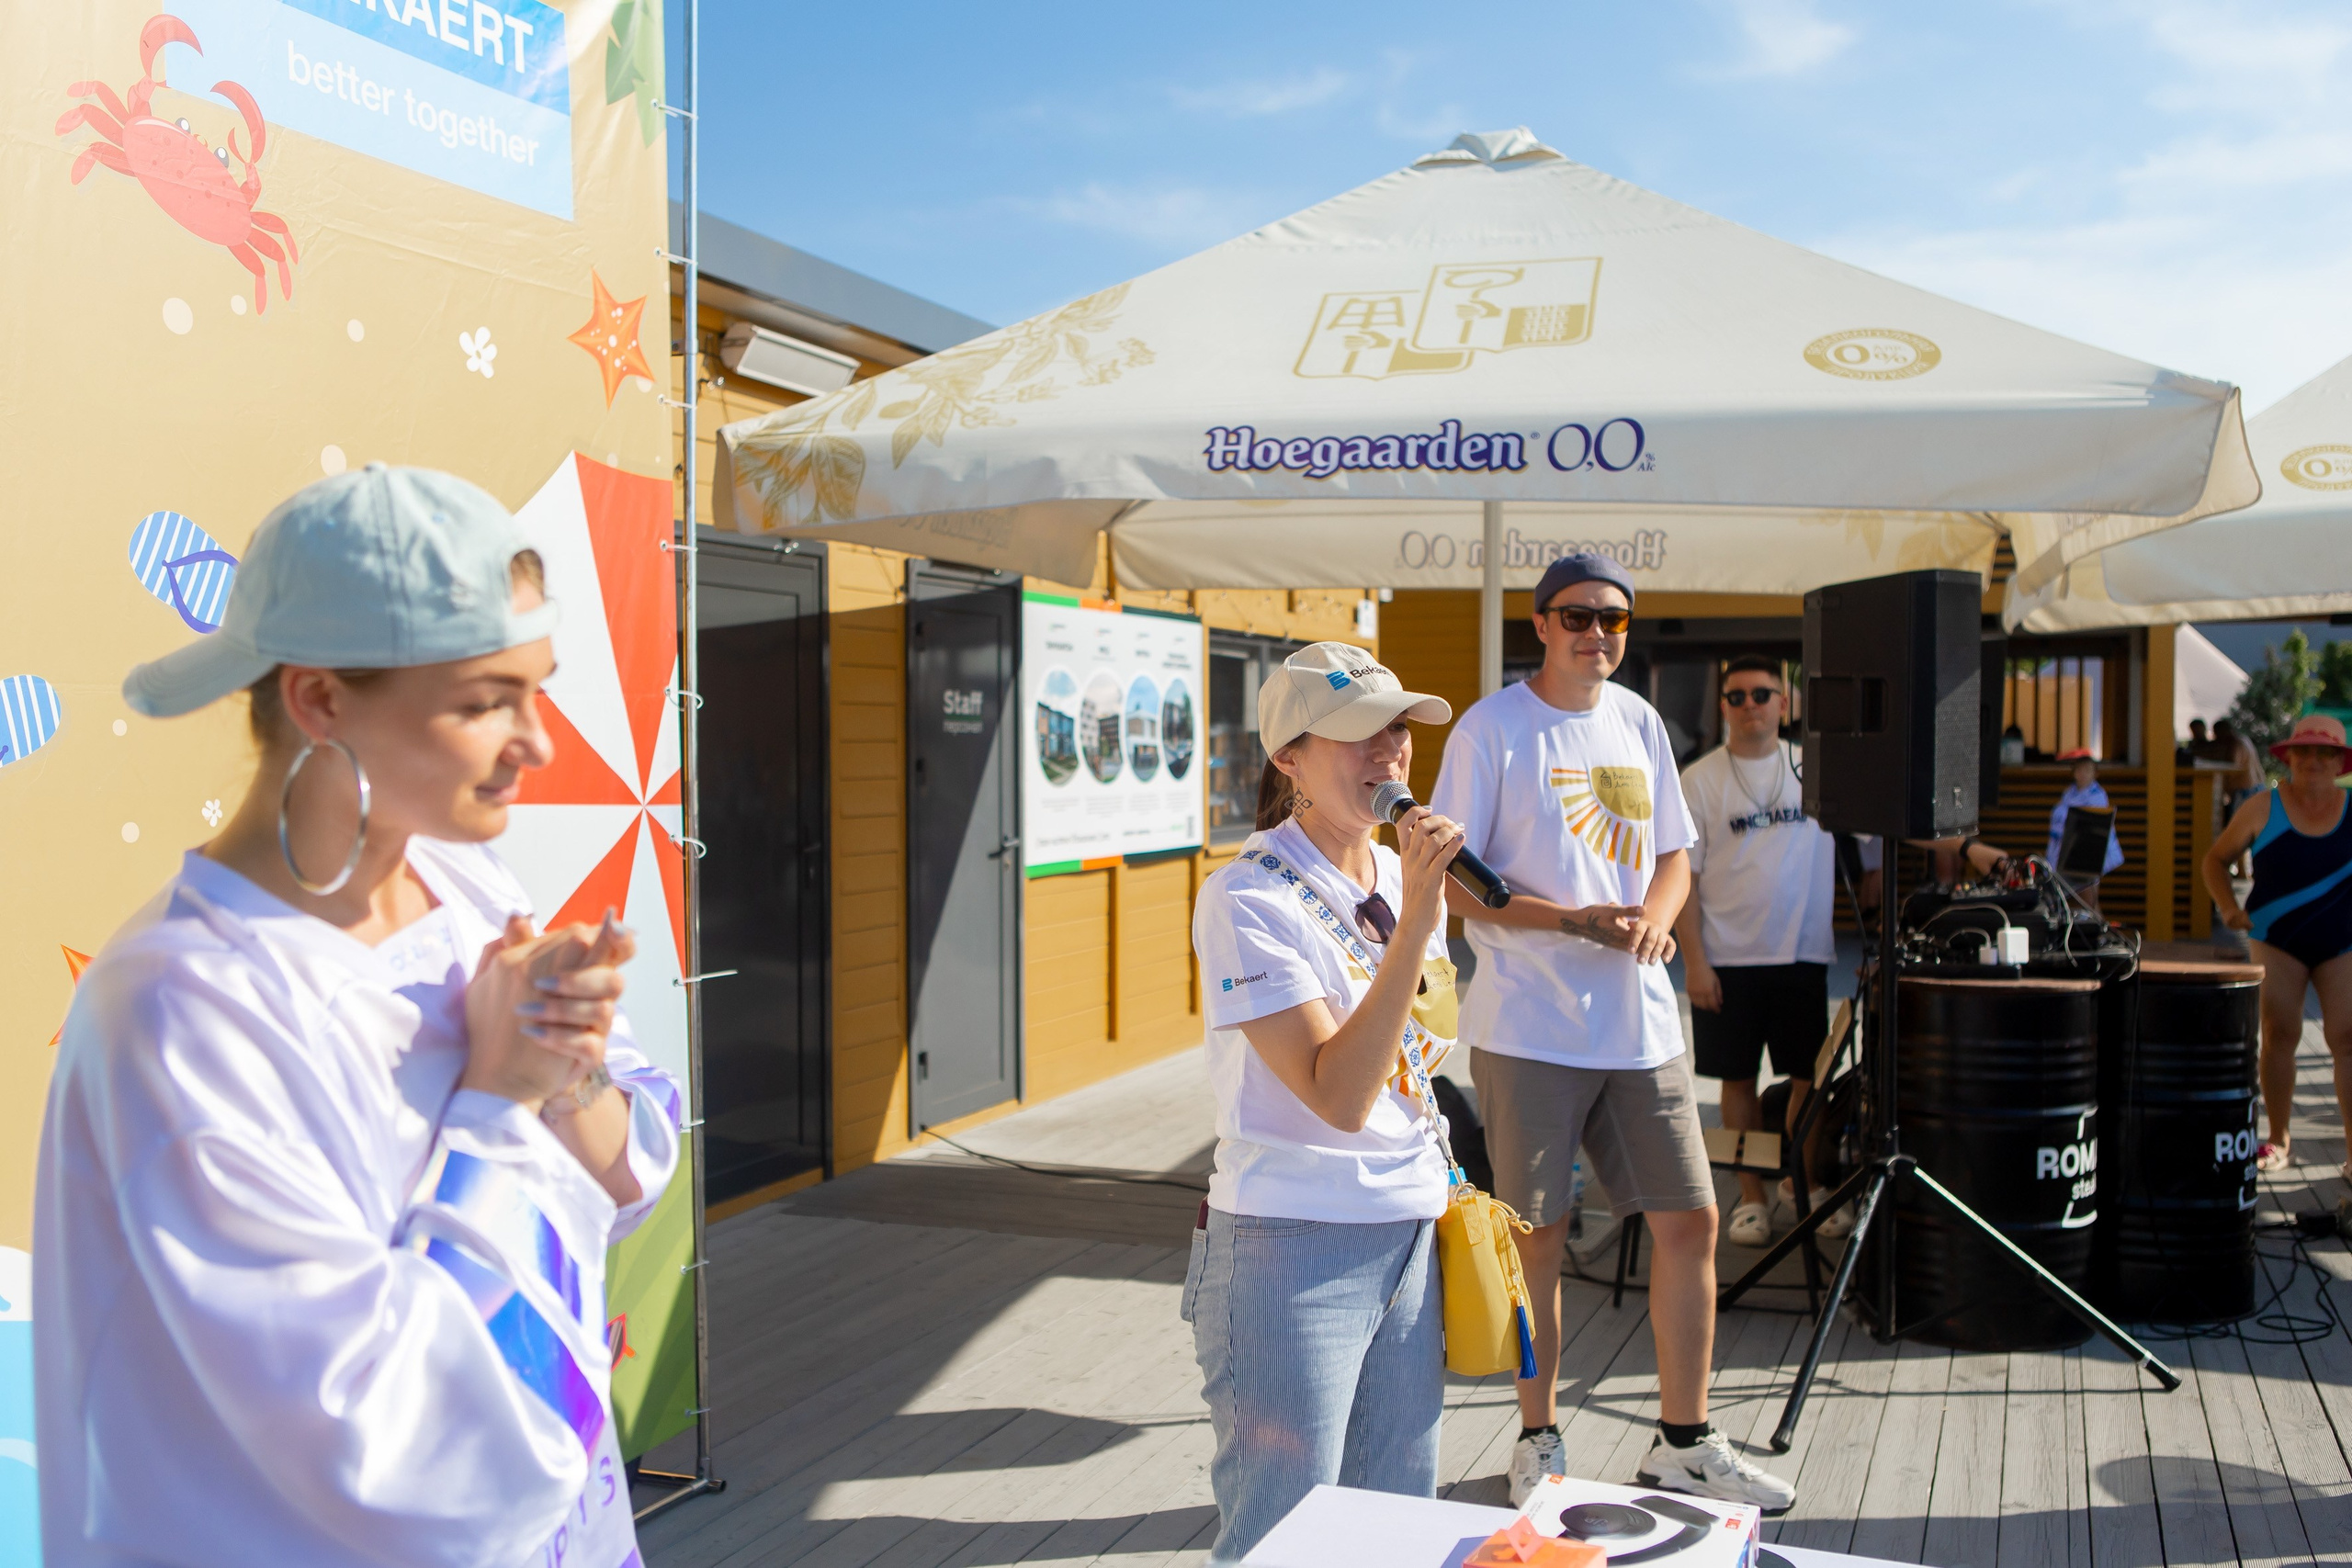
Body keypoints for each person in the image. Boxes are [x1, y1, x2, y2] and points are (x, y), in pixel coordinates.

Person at [35, 466, 681, 1568]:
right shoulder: (186, 1005)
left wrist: (566, 1067)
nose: (537, 743)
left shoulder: (466, 891)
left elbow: (628, 1181)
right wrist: (496, 1101)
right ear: (320, 698)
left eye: (538, 690)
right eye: (484, 702)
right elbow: (382, 1445)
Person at [1430, 553, 1795, 1514]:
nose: (1599, 635)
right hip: (1529, 1026)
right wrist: (1577, 920)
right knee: (1537, 1239)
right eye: (1579, 618)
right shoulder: (1490, 728)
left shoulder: (1635, 719)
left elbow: (1675, 852)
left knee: (1691, 1222)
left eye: (1616, 620)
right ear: (1539, 625)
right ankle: (1538, 1436)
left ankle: (1684, 1439)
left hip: (1639, 1028)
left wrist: (1661, 916)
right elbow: (1462, 883)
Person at [1186, 642, 1466, 1564]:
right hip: (1290, 1243)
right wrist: (1420, 924)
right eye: (1356, 732)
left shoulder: (1393, 875)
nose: (1388, 750)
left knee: (1398, 1517)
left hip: (1409, 1229)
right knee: (1285, 1532)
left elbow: (1419, 1054)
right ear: (1288, 759)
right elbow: (1335, 1099)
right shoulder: (1245, 897)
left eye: (1396, 727)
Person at [1672, 656, 1849, 1249]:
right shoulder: (1698, 780)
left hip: (1801, 953)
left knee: (1808, 1077)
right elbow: (1683, 880)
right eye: (1738, 695)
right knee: (1738, 1082)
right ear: (1723, 705)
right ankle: (1752, 1196)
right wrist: (1694, 961)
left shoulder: (1818, 769)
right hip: (1727, 961)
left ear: (1785, 703)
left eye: (1763, 694)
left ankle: (1803, 1185)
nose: (1751, 705)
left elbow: (1870, 841)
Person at [2203, 713, 2352, 1180]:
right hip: (2276, 937)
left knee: (2348, 1038)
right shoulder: (2262, 807)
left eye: (2324, 752)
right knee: (2281, 1031)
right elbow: (2215, 859)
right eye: (2304, 751)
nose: (2312, 761)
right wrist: (2228, 909)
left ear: (2339, 762)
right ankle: (2280, 1139)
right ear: (2288, 756)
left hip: (2342, 939)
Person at [2047, 749, 2125, 897]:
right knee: (2070, 902)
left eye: (2087, 770)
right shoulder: (2069, 793)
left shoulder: (2098, 795)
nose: (2082, 774)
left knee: (2089, 902)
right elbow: (2059, 818)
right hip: (2067, 854)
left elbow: (2096, 822)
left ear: (2095, 774)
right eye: (2079, 770)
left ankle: (2098, 921)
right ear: (2074, 773)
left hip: (2088, 854)